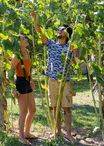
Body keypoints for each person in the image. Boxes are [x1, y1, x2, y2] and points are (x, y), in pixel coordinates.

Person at [31, 11, 75, 142]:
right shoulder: (51, 44)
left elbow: (76, 61)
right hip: (52, 80)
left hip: (65, 81)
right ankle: (58, 132)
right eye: (58, 29)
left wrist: (76, 50)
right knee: (55, 108)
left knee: (66, 108)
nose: (58, 31)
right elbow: (40, 33)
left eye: (61, 29)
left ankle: (69, 134)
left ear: (67, 34)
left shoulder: (70, 47)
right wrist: (35, 19)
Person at [10, 34, 36, 145]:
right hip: (20, 83)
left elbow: (29, 68)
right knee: (23, 111)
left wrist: (32, 80)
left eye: (25, 38)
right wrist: (13, 89)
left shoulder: (27, 52)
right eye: (23, 39)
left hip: (28, 81)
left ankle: (27, 133)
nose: (26, 40)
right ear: (18, 43)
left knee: (33, 109)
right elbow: (10, 73)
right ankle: (21, 136)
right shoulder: (16, 56)